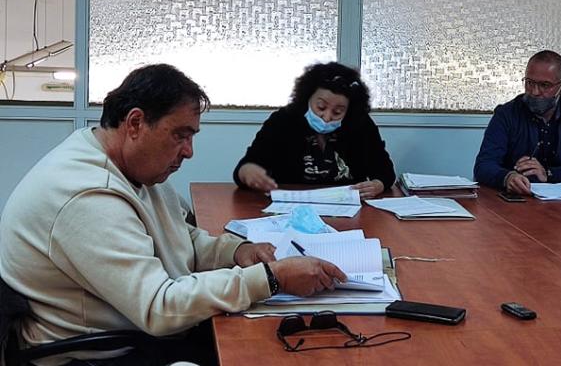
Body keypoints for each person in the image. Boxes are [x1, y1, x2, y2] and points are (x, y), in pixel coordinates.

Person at [0, 64, 346, 365]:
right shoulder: (86, 195)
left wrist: (237, 252)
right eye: (180, 135)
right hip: (98, 354)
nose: (189, 151)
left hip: (134, 329)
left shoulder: (130, 165)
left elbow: (179, 235)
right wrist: (271, 278)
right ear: (135, 123)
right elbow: (160, 308)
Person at [234, 62, 395, 199]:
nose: (327, 117)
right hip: (290, 206)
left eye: (337, 112)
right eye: (321, 107)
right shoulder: (283, 121)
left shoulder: (361, 125)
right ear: (307, 98)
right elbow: (246, 167)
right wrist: (247, 172)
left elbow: (385, 172)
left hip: (347, 208)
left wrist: (377, 185)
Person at [474, 50, 561, 194]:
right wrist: (507, 177)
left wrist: (548, 174)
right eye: (529, 83)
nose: (534, 92)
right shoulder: (506, 114)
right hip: (516, 199)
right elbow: (483, 166)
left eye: (545, 85)